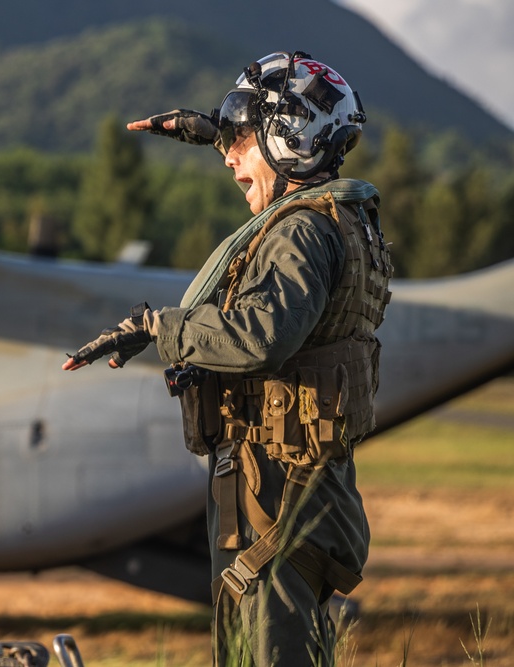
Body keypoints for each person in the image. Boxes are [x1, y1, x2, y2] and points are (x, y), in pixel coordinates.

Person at [62, 52, 392, 665]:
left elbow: (259, 335)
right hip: (289, 481)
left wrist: (157, 327)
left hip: (278, 488)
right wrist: (223, 128)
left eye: (241, 139)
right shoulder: (338, 218)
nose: (229, 157)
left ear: (287, 138)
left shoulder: (300, 231)